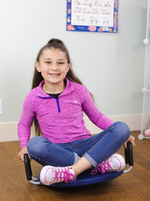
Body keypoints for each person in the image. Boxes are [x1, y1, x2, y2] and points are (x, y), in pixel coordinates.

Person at [18, 38, 135, 186]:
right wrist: (23, 145)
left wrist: (122, 135)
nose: (54, 67)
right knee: (34, 144)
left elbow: (97, 117)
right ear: (38, 66)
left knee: (122, 128)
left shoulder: (79, 90)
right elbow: (23, 124)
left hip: (85, 145)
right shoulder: (33, 97)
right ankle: (94, 165)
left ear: (67, 67)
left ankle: (72, 170)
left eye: (60, 63)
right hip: (57, 150)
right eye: (48, 62)